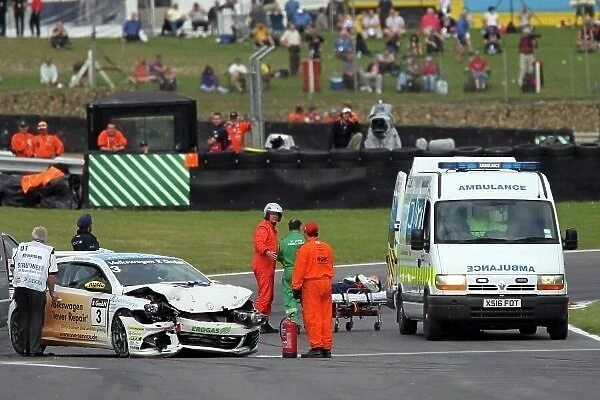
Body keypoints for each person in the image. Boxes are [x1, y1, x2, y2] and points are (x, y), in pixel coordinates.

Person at [11, 226, 59, 356]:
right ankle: (34, 350)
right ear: (45, 238)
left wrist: (16, 285)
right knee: (36, 318)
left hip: (21, 286)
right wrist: (52, 292)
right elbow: (51, 276)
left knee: (23, 316)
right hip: (37, 287)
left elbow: (13, 267)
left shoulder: (21, 247)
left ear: (33, 236)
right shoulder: (49, 251)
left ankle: (23, 348)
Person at [292, 222, 334, 358]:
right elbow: (330, 264)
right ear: (317, 233)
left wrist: (296, 287)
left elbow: (299, 270)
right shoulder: (327, 247)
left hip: (312, 284)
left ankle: (316, 346)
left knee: (313, 316)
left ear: (305, 233)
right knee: (326, 316)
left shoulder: (304, 249)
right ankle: (327, 347)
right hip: (326, 282)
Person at [252, 202, 283, 334]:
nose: (274, 217)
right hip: (263, 265)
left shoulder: (271, 228)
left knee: (268, 296)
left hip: (269, 266)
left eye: (276, 215)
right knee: (265, 296)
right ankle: (253, 322)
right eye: (272, 214)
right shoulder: (263, 228)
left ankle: (264, 322)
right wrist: (267, 252)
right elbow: (259, 243)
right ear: (267, 214)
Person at [278, 218, 305, 327]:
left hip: (289, 271)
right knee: (306, 296)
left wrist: (286, 262)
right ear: (300, 227)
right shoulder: (304, 239)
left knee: (289, 295)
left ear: (289, 228)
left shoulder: (284, 240)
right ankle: (308, 321)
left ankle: (294, 320)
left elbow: (278, 256)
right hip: (304, 272)